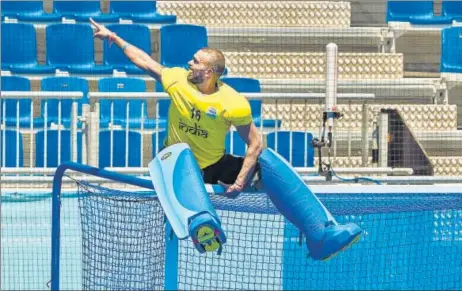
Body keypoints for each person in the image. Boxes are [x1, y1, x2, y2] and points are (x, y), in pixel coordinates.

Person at [90, 19, 263, 196]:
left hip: (212, 165)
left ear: (208, 72)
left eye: (196, 61)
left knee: (264, 171)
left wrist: (240, 183)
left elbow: (255, 142)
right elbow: (145, 61)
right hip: (175, 161)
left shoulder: (233, 102)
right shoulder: (178, 80)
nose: (189, 62)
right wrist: (113, 37)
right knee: (177, 210)